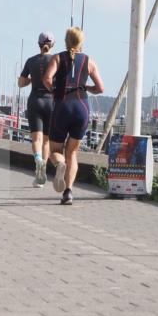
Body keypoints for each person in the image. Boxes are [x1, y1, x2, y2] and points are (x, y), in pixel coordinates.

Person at [43, 27, 104, 205]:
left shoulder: (58, 58)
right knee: (73, 153)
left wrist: (54, 90)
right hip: (82, 108)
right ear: (81, 42)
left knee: (55, 151)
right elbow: (100, 88)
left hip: (62, 105)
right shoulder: (89, 61)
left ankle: (59, 165)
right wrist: (87, 88)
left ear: (66, 41)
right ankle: (68, 192)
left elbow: (47, 78)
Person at [18, 31, 56, 187]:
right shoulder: (56, 60)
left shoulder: (31, 61)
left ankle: (38, 161)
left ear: (38, 44)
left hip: (35, 100)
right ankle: (42, 174)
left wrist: (32, 79)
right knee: (46, 140)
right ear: (52, 44)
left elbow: (21, 83)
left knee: (36, 139)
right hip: (51, 101)